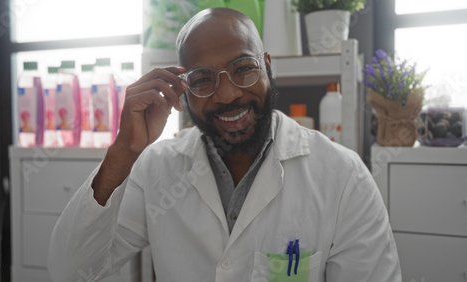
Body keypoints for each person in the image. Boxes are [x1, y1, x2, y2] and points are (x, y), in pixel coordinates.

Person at [48, 7, 401, 282]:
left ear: (267, 66)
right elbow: (70, 271)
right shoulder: (155, 168)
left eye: (243, 68)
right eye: (203, 79)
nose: (229, 93)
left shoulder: (342, 176)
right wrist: (124, 150)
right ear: (184, 89)